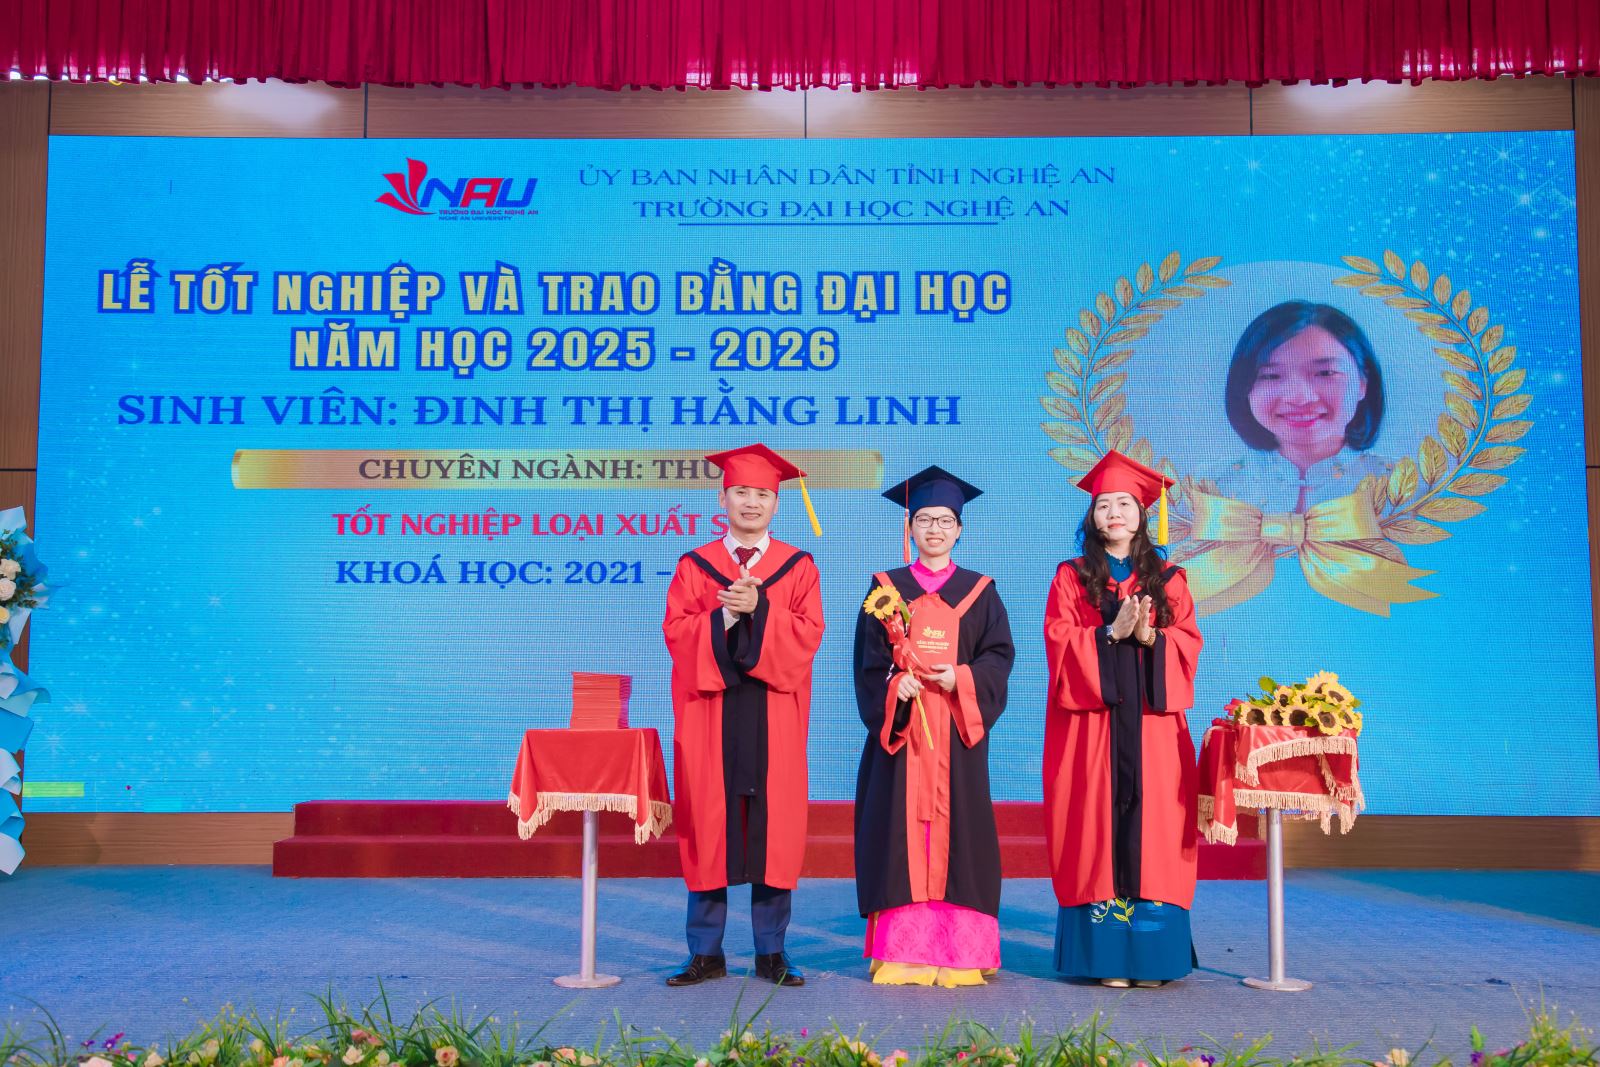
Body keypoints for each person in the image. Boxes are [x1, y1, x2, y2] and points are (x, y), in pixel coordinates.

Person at [661, 443, 824, 988]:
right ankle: (704, 952)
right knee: (710, 827)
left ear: (776, 503)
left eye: (762, 494)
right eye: (741, 492)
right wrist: (727, 617)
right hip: (712, 718)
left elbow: (808, 637)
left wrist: (763, 610)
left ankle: (771, 953)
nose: (751, 502)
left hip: (774, 716)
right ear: (722, 497)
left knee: (774, 833)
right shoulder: (694, 566)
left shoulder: (799, 567)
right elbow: (677, 635)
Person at [1042, 450, 1203, 988]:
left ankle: (1152, 959)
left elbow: (1188, 643)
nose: (1113, 513)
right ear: (1092, 515)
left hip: (1152, 726)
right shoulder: (1072, 577)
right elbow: (1059, 641)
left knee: (1155, 830)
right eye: (1104, 504)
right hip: (1095, 727)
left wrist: (1152, 636)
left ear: (1142, 514)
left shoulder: (1169, 579)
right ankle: (1107, 960)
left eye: (1124, 504)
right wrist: (1109, 634)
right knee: (1097, 825)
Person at [853, 466, 1014, 987]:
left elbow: (998, 659)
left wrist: (960, 677)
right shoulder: (884, 590)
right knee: (899, 835)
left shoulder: (980, 592)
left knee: (960, 835)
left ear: (960, 529)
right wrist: (894, 685)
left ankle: (962, 953)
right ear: (910, 527)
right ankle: (904, 952)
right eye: (924, 519)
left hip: (956, 734)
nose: (935, 529)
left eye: (945, 520)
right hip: (904, 737)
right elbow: (867, 665)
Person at [1206, 300, 1390, 513]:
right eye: (1271, 376)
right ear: (1245, 387)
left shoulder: (1403, 488)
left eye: (1325, 373)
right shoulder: (1210, 488)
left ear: (1363, 382)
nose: (1300, 398)